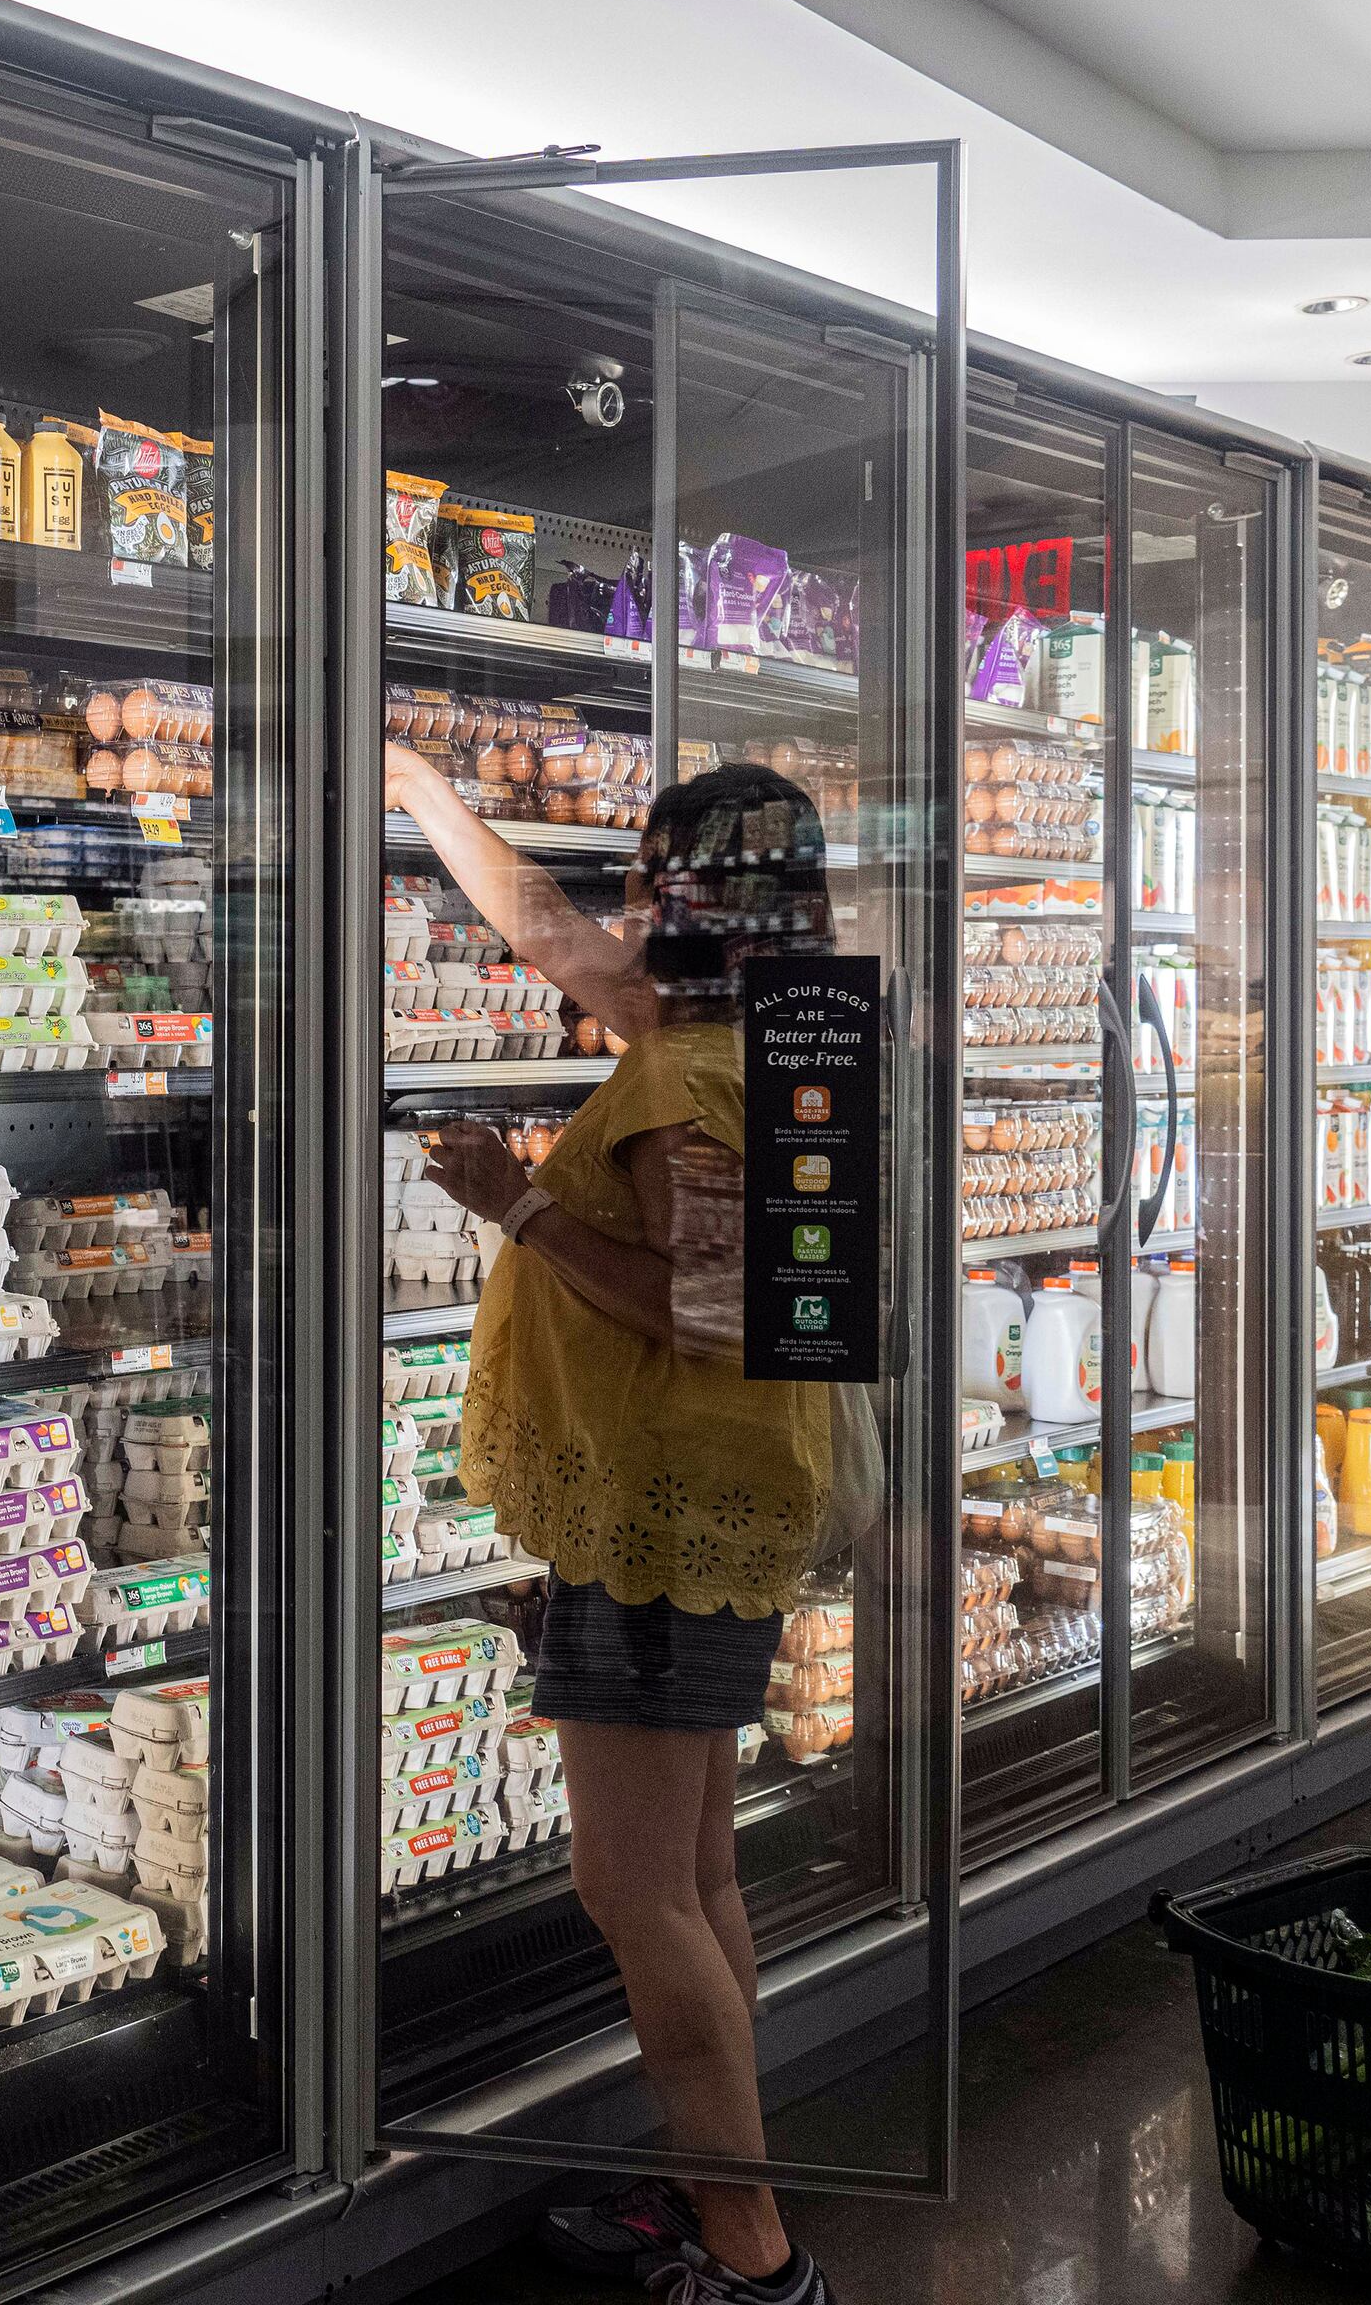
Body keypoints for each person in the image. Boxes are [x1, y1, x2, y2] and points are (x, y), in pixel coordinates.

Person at [386, 742, 839, 2305]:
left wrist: (516, 1207)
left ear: (703, 900)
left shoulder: (693, 1074)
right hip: (705, 1505)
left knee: (633, 1886)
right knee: (698, 1873)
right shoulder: (757, 1026)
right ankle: (721, 2190)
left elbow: (713, 1314)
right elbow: (550, 936)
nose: (633, 903)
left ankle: (754, 2258)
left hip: (665, 1506)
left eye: (661, 878)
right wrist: (414, 783)